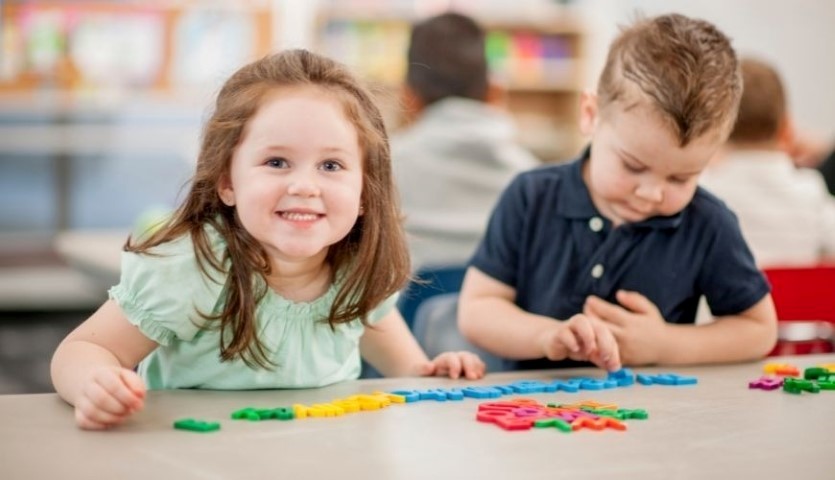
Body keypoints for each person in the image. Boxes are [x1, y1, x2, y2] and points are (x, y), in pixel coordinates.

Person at [50, 50, 485, 430]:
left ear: (365, 194)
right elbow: (85, 349)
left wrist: (434, 371)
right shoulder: (192, 268)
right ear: (227, 182)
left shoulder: (357, 270)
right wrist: (95, 382)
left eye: (331, 166)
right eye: (277, 161)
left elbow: (407, 370)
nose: (305, 185)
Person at [458, 14, 778, 371]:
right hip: (529, 417)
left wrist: (665, 345)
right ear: (591, 115)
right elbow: (477, 309)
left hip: (657, 421)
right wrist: (547, 336)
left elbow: (760, 329)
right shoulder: (530, 197)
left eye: (680, 178)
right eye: (633, 166)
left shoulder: (709, 223)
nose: (651, 193)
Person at [392, 12, 539, 271]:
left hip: (402, 310)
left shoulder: (380, 170)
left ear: (408, 97)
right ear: (494, 92)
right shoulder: (534, 181)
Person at [700, 57, 835, 266]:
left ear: (718, 129)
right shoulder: (810, 191)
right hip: (796, 299)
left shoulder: (705, 190)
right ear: (787, 128)